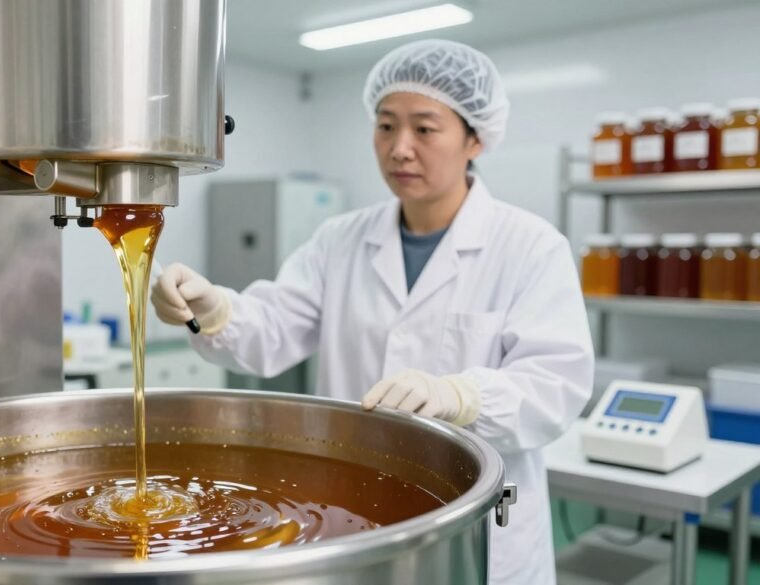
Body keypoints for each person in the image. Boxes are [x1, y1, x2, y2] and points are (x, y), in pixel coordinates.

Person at [151, 39, 593, 585]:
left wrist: (465, 395)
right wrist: (215, 309)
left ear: (475, 138)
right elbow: (273, 330)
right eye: (386, 127)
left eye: (424, 129)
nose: (400, 148)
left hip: (476, 520)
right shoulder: (341, 239)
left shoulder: (530, 246)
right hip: (354, 512)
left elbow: (557, 386)